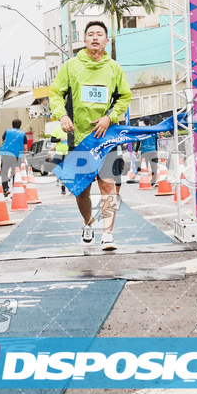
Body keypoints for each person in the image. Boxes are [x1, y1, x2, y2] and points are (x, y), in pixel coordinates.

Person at [48, 20, 132, 250]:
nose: (95, 38)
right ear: (84, 41)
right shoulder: (71, 66)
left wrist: (110, 117)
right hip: (80, 137)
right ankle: (88, 223)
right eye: (91, 34)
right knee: (82, 189)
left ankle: (108, 234)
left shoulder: (114, 68)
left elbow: (125, 96)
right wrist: (62, 115)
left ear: (106, 41)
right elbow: (55, 93)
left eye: (100, 34)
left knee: (108, 186)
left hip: (107, 137)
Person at [0, 119, 28, 196]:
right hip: (17, 156)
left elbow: (3, 140)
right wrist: (24, 158)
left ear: (12, 124)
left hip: (6, 155)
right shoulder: (23, 134)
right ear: (20, 125)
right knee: (16, 174)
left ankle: (5, 189)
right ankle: (15, 192)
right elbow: (25, 148)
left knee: (4, 172)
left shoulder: (7, 131)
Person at [50, 123, 70, 195]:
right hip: (59, 153)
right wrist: (59, 139)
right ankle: (63, 187)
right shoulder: (56, 129)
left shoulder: (70, 128)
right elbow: (52, 139)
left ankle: (70, 187)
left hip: (68, 153)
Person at [138, 116, 159, 183]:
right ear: (150, 122)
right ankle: (153, 181)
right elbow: (156, 140)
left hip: (144, 151)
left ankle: (145, 181)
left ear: (144, 122)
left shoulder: (141, 130)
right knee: (154, 166)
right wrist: (156, 150)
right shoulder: (153, 130)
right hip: (153, 150)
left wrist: (136, 150)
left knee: (144, 167)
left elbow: (139, 140)